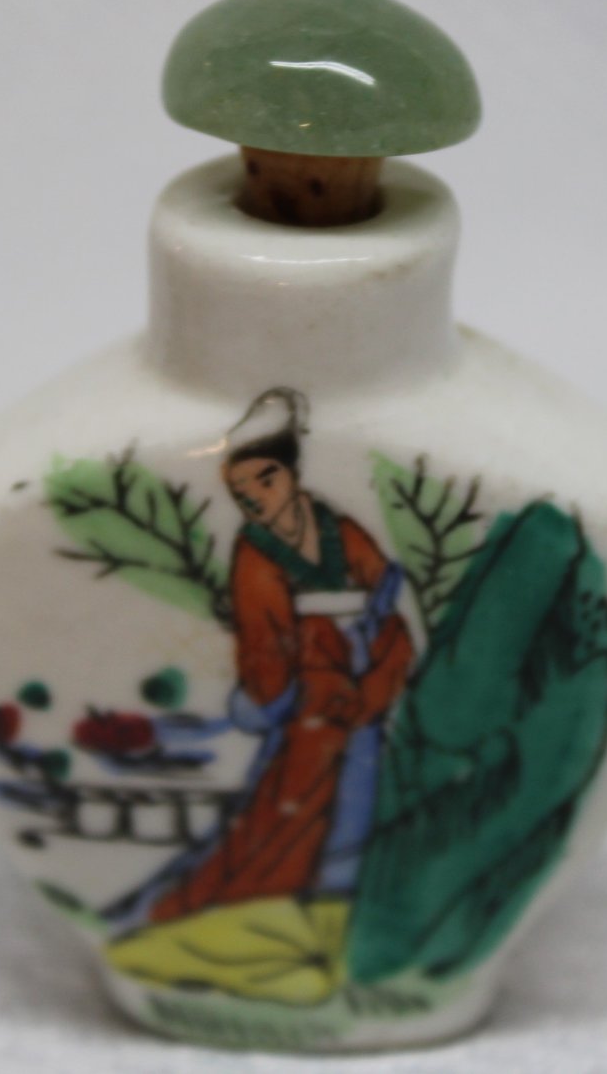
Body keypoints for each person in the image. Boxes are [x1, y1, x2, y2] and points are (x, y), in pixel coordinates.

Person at [104, 388, 415, 1004]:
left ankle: (339, 918)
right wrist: (275, 694)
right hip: (309, 696)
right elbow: (261, 640)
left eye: (265, 480)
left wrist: (378, 679)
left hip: (362, 684)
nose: (255, 499)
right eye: (242, 493)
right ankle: (250, 904)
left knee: (360, 800)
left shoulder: (341, 529)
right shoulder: (254, 552)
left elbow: (386, 604)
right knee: (289, 802)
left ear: (292, 474)